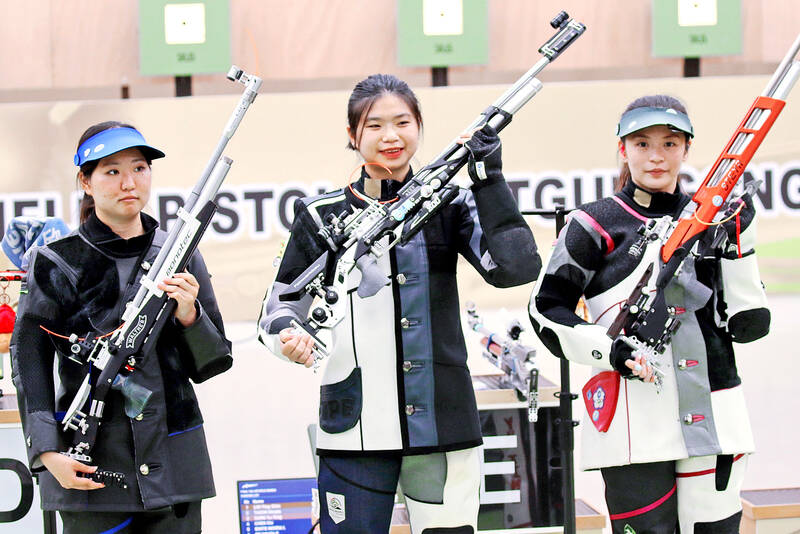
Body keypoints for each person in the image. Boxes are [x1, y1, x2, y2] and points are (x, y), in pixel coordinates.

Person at [258, 74, 541, 533]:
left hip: (444, 425)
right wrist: (289, 337)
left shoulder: (451, 204)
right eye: (374, 125)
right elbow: (278, 308)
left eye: (403, 122)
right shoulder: (320, 214)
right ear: (352, 135)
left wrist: (489, 179)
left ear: (419, 126)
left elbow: (516, 268)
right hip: (353, 428)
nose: (390, 136)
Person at [528, 95, 770, 533]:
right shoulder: (593, 222)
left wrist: (741, 241)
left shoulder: (715, 218)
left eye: (669, 143)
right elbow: (546, 309)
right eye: (642, 144)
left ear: (687, 148)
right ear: (623, 149)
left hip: (716, 413)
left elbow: (749, 324)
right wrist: (610, 351)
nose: (656, 156)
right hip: (631, 421)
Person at [11, 121, 233, 534]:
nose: (129, 182)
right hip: (89, 469)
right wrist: (46, 451)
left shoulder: (181, 253)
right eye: (112, 171)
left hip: (176, 470)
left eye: (139, 168)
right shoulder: (55, 261)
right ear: (85, 182)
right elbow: (29, 359)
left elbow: (213, 362)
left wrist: (190, 315)